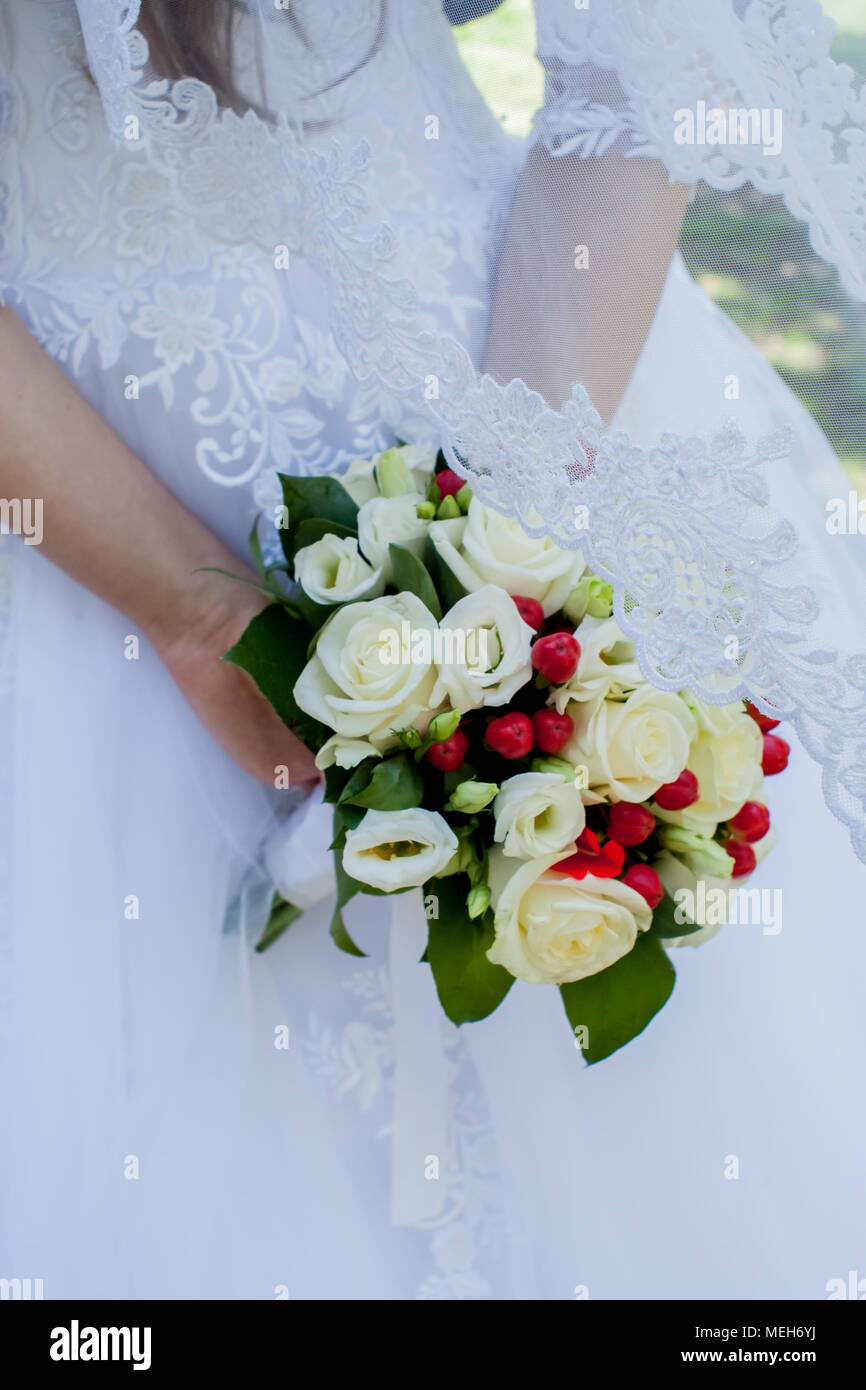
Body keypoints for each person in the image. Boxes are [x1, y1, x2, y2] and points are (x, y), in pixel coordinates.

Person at [1, 0, 864, 1299]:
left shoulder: (524, 497)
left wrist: (507, 535)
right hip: (73, 545)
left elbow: (652, 46)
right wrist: (192, 611)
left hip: (544, 383)